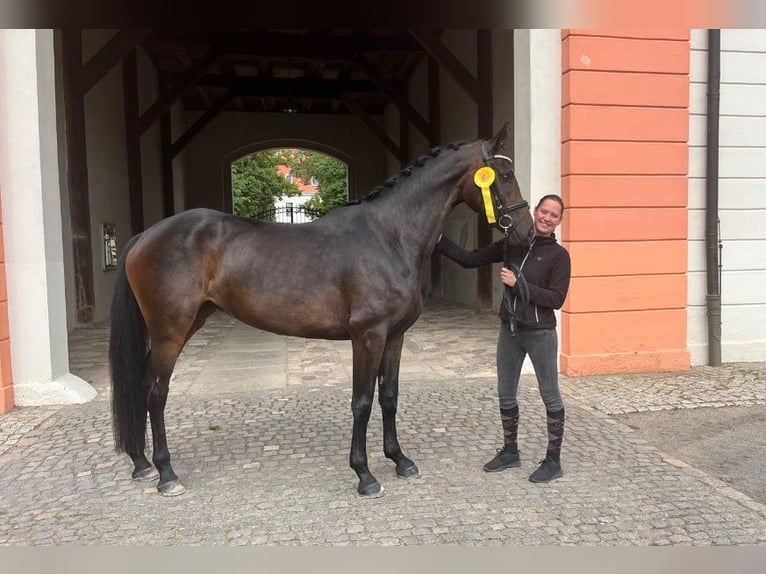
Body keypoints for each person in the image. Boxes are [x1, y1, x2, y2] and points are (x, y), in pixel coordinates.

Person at [436, 194, 571, 483]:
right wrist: (437, 238)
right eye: (544, 211)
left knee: (550, 395)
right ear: (534, 212)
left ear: (559, 220)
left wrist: (518, 282)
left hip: (540, 334)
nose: (547, 218)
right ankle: (510, 451)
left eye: (554, 215)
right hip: (510, 331)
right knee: (505, 392)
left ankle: (553, 461)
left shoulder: (559, 256)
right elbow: (470, 259)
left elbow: (556, 299)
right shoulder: (513, 245)